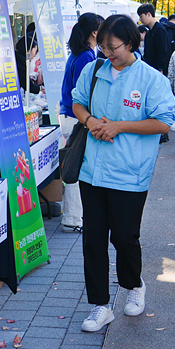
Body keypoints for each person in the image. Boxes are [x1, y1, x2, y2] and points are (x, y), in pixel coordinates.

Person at [71, 15, 175, 332]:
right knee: (92, 239)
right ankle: (100, 305)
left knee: (124, 237)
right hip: (92, 171)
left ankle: (134, 286)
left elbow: (163, 122)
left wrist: (119, 126)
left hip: (130, 173)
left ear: (130, 43)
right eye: (102, 46)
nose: (107, 53)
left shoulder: (150, 79)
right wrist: (91, 123)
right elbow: (77, 104)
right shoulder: (93, 71)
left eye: (113, 46)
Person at [59, 12, 105, 233]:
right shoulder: (87, 57)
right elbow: (83, 95)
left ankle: (73, 217)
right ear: (95, 32)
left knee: (75, 166)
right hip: (75, 117)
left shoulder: (81, 53)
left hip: (70, 116)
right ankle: (73, 218)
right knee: (76, 167)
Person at [139, 3, 175, 143]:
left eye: (141, 16)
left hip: (158, 71)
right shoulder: (151, 32)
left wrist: (161, 70)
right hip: (152, 70)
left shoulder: (160, 30)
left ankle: (162, 133)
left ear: (149, 14)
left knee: (158, 101)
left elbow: (164, 52)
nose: (140, 19)